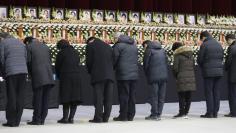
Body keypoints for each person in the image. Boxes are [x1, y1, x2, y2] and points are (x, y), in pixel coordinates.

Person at [24, 37, 55, 125]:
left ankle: (36, 119)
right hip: (49, 75)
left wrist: (30, 74)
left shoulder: (29, 47)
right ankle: (42, 119)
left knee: (38, 98)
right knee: (45, 99)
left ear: (27, 42)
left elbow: (28, 62)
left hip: (38, 75)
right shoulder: (45, 46)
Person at [0, 32, 28, 127]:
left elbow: (2, 59)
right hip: (23, 72)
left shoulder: (3, 43)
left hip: (11, 72)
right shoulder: (20, 42)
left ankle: (11, 121)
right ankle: (17, 120)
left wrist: (3, 72)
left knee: (12, 96)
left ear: (2, 38)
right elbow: (26, 57)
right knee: (20, 96)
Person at [86, 37, 115, 123]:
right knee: (108, 98)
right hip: (110, 75)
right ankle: (106, 117)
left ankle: (98, 118)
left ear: (90, 41)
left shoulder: (90, 46)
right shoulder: (108, 46)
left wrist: (90, 71)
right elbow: (113, 60)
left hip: (98, 75)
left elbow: (89, 61)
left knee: (98, 98)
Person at [197, 31, 224, 118]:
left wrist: (203, 66)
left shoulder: (204, 45)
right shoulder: (219, 44)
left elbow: (200, 59)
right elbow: (222, 57)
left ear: (203, 37)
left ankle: (210, 112)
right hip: (219, 71)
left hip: (208, 72)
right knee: (216, 92)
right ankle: (215, 112)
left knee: (209, 92)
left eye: (201, 39)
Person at [55, 39, 82, 124]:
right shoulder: (76, 52)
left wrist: (59, 75)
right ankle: (71, 118)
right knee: (74, 97)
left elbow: (57, 66)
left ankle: (65, 118)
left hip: (65, 76)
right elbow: (78, 62)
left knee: (66, 97)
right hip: (77, 76)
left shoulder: (61, 53)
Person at [113, 33, 139, 121]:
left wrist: (113, 67)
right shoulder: (134, 45)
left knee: (123, 95)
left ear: (117, 38)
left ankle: (123, 116)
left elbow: (114, 59)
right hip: (134, 74)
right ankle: (131, 115)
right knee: (132, 95)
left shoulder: (118, 46)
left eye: (114, 38)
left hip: (123, 74)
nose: (113, 40)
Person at [142, 40, 168, 121]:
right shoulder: (163, 50)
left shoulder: (148, 51)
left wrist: (147, 74)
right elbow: (166, 62)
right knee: (161, 97)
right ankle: (159, 114)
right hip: (164, 76)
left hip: (153, 76)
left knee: (154, 96)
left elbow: (145, 64)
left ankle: (154, 114)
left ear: (146, 45)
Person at [172, 42, 196, 118]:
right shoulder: (191, 55)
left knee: (181, 96)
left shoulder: (177, 56)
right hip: (191, 77)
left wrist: (176, 76)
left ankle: (181, 112)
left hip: (181, 77)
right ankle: (186, 112)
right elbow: (193, 66)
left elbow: (175, 68)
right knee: (189, 96)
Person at [225, 34, 236, 117]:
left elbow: (228, 61)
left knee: (232, 94)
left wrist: (225, 68)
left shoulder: (231, 48)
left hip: (233, 75)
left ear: (229, 40)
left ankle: (233, 112)